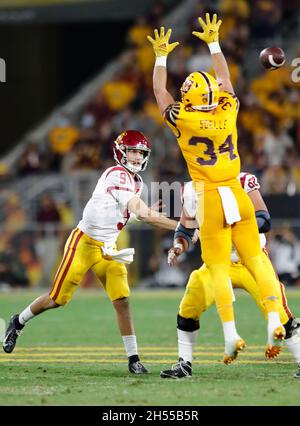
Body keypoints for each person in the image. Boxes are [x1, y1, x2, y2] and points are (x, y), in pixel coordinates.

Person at [147, 13, 285, 363]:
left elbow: (159, 91)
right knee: (256, 258)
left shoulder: (183, 117)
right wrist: (214, 42)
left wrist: (161, 56)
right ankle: (272, 319)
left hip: (209, 195)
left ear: (190, 98)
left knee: (218, 266)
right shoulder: (228, 109)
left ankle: (230, 333)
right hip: (235, 190)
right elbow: (224, 77)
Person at [2, 130, 177, 375]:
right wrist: (179, 225)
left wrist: (149, 215)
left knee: (122, 300)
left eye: (141, 152)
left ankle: (133, 358)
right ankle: (18, 321)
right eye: (133, 151)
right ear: (121, 152)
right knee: (57, 299)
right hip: (83, 243)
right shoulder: (116, 174)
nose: (137, 157)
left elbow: (134, 216)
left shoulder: (137, 182)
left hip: (108, 249)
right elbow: (145, 214)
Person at [161, 172, 300, 379]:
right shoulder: (191, 189)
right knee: (189, 306)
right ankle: (184, 364)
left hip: (249, 260)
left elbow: (264, 219)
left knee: (280, 313)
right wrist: (178, 247)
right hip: (216, 263)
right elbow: (185, 229)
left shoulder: (241, 180)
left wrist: (234, 230)